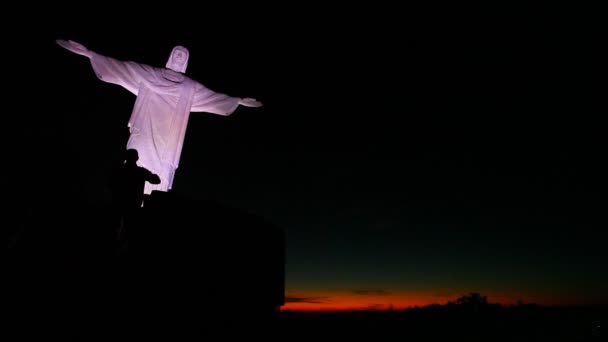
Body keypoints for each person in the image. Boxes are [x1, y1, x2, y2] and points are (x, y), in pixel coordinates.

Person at [56, 39, 263, 194]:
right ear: (171, 56)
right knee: (135, 164)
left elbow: (212, 98)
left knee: (159, 173)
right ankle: (129, 202)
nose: (179, 57)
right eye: (177, 53)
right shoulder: (151, 74)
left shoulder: (189, 87)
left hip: (167, 140)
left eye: (183, 56)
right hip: (145, 130)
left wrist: (236, 101)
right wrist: (90, 54)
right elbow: (122, 68)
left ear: (186, 62)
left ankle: (152, 205)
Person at [113, 149, 161, 246]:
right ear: (137, 158)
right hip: (133, 206)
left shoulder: (119, 170)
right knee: (129, 231)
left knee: (116, 229)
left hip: (118, 204)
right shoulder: (140, 172)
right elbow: (157, 180)